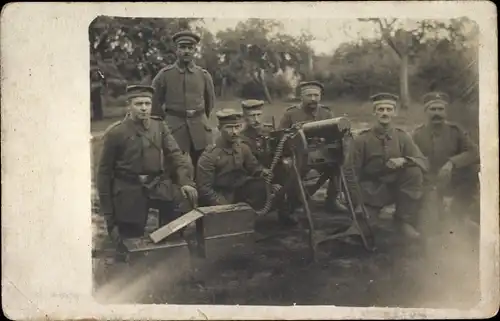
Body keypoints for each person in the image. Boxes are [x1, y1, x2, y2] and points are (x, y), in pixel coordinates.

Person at [96, 85, 198, 255]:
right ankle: (132, 259)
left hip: (156, 183)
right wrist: (109, 214)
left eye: (147, 103)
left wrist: (185, 182)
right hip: (129, 187)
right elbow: (104, 173)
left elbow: (176, 155)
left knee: (180, 204)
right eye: (138, 104)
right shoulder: (116, 133)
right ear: (128, 105)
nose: (144, 108)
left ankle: (169, 250)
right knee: (130, 237)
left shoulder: (159, 127)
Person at [346, 93, 429, 239]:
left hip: (398, 187)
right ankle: (364, 220)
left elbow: (422, 161)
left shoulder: (402, 137)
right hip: (371, 190)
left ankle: (402, 220)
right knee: (361, 233)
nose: (385, 113)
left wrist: (404, 160)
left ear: (395, 113)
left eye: (389, 110)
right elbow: (351, 172)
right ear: (374, 112)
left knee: (414, 171)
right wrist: (356, 202)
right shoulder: (362, 139)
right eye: (381, 109)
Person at [278, 80, 348, 214]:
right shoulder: (291, 114)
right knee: (293, 172)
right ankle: (293, 203)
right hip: (298, 155)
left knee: (338, 164)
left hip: (321, 153)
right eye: (309, 95)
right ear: (301, 97)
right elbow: (280, 137)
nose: (313, 99)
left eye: (316, 95)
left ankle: (331, 200)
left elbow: (334, 135)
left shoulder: (326, 113)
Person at [150, 30, 217, 169]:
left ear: (195, 50)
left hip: (199, 126)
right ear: (176, 50)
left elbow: (209, 102)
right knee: (173, 165)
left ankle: (202, 190)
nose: (186, 51)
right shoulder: (164, 75)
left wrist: (200, 118)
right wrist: (165, 122)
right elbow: (154, 103)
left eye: (190, 48)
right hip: (174, 126)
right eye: (182, 47)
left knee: (203, 165)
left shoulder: (203, 75)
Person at [412, 91, 480, 225]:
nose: (437, 113)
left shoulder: (456, 130)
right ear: (426, 112)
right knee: (433, 221)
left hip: (455, 180)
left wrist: (451, 162)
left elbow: (473, 151)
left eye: (440, 109)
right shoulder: (417, 134)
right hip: (429, 182)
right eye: (432, 109)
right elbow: (413, 157)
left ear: (445, 112)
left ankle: (463, 214)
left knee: (472, 172)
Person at [196, 109, 274, 209]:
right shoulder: (209, 156)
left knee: (261, 187)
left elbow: (254, 168)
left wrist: (263, 172)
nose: (234, 132)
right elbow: (205, 189)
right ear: (220, 128)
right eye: (229, 128)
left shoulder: (243, 148)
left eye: (237, 127)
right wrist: (224, 206)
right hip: (220, 197)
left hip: (239, 192)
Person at [239, 99, 274, 165]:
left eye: (259, 115)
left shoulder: (269, 132)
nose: (256, 120)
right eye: (252, 116)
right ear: (244, 117)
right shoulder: (240, 138)